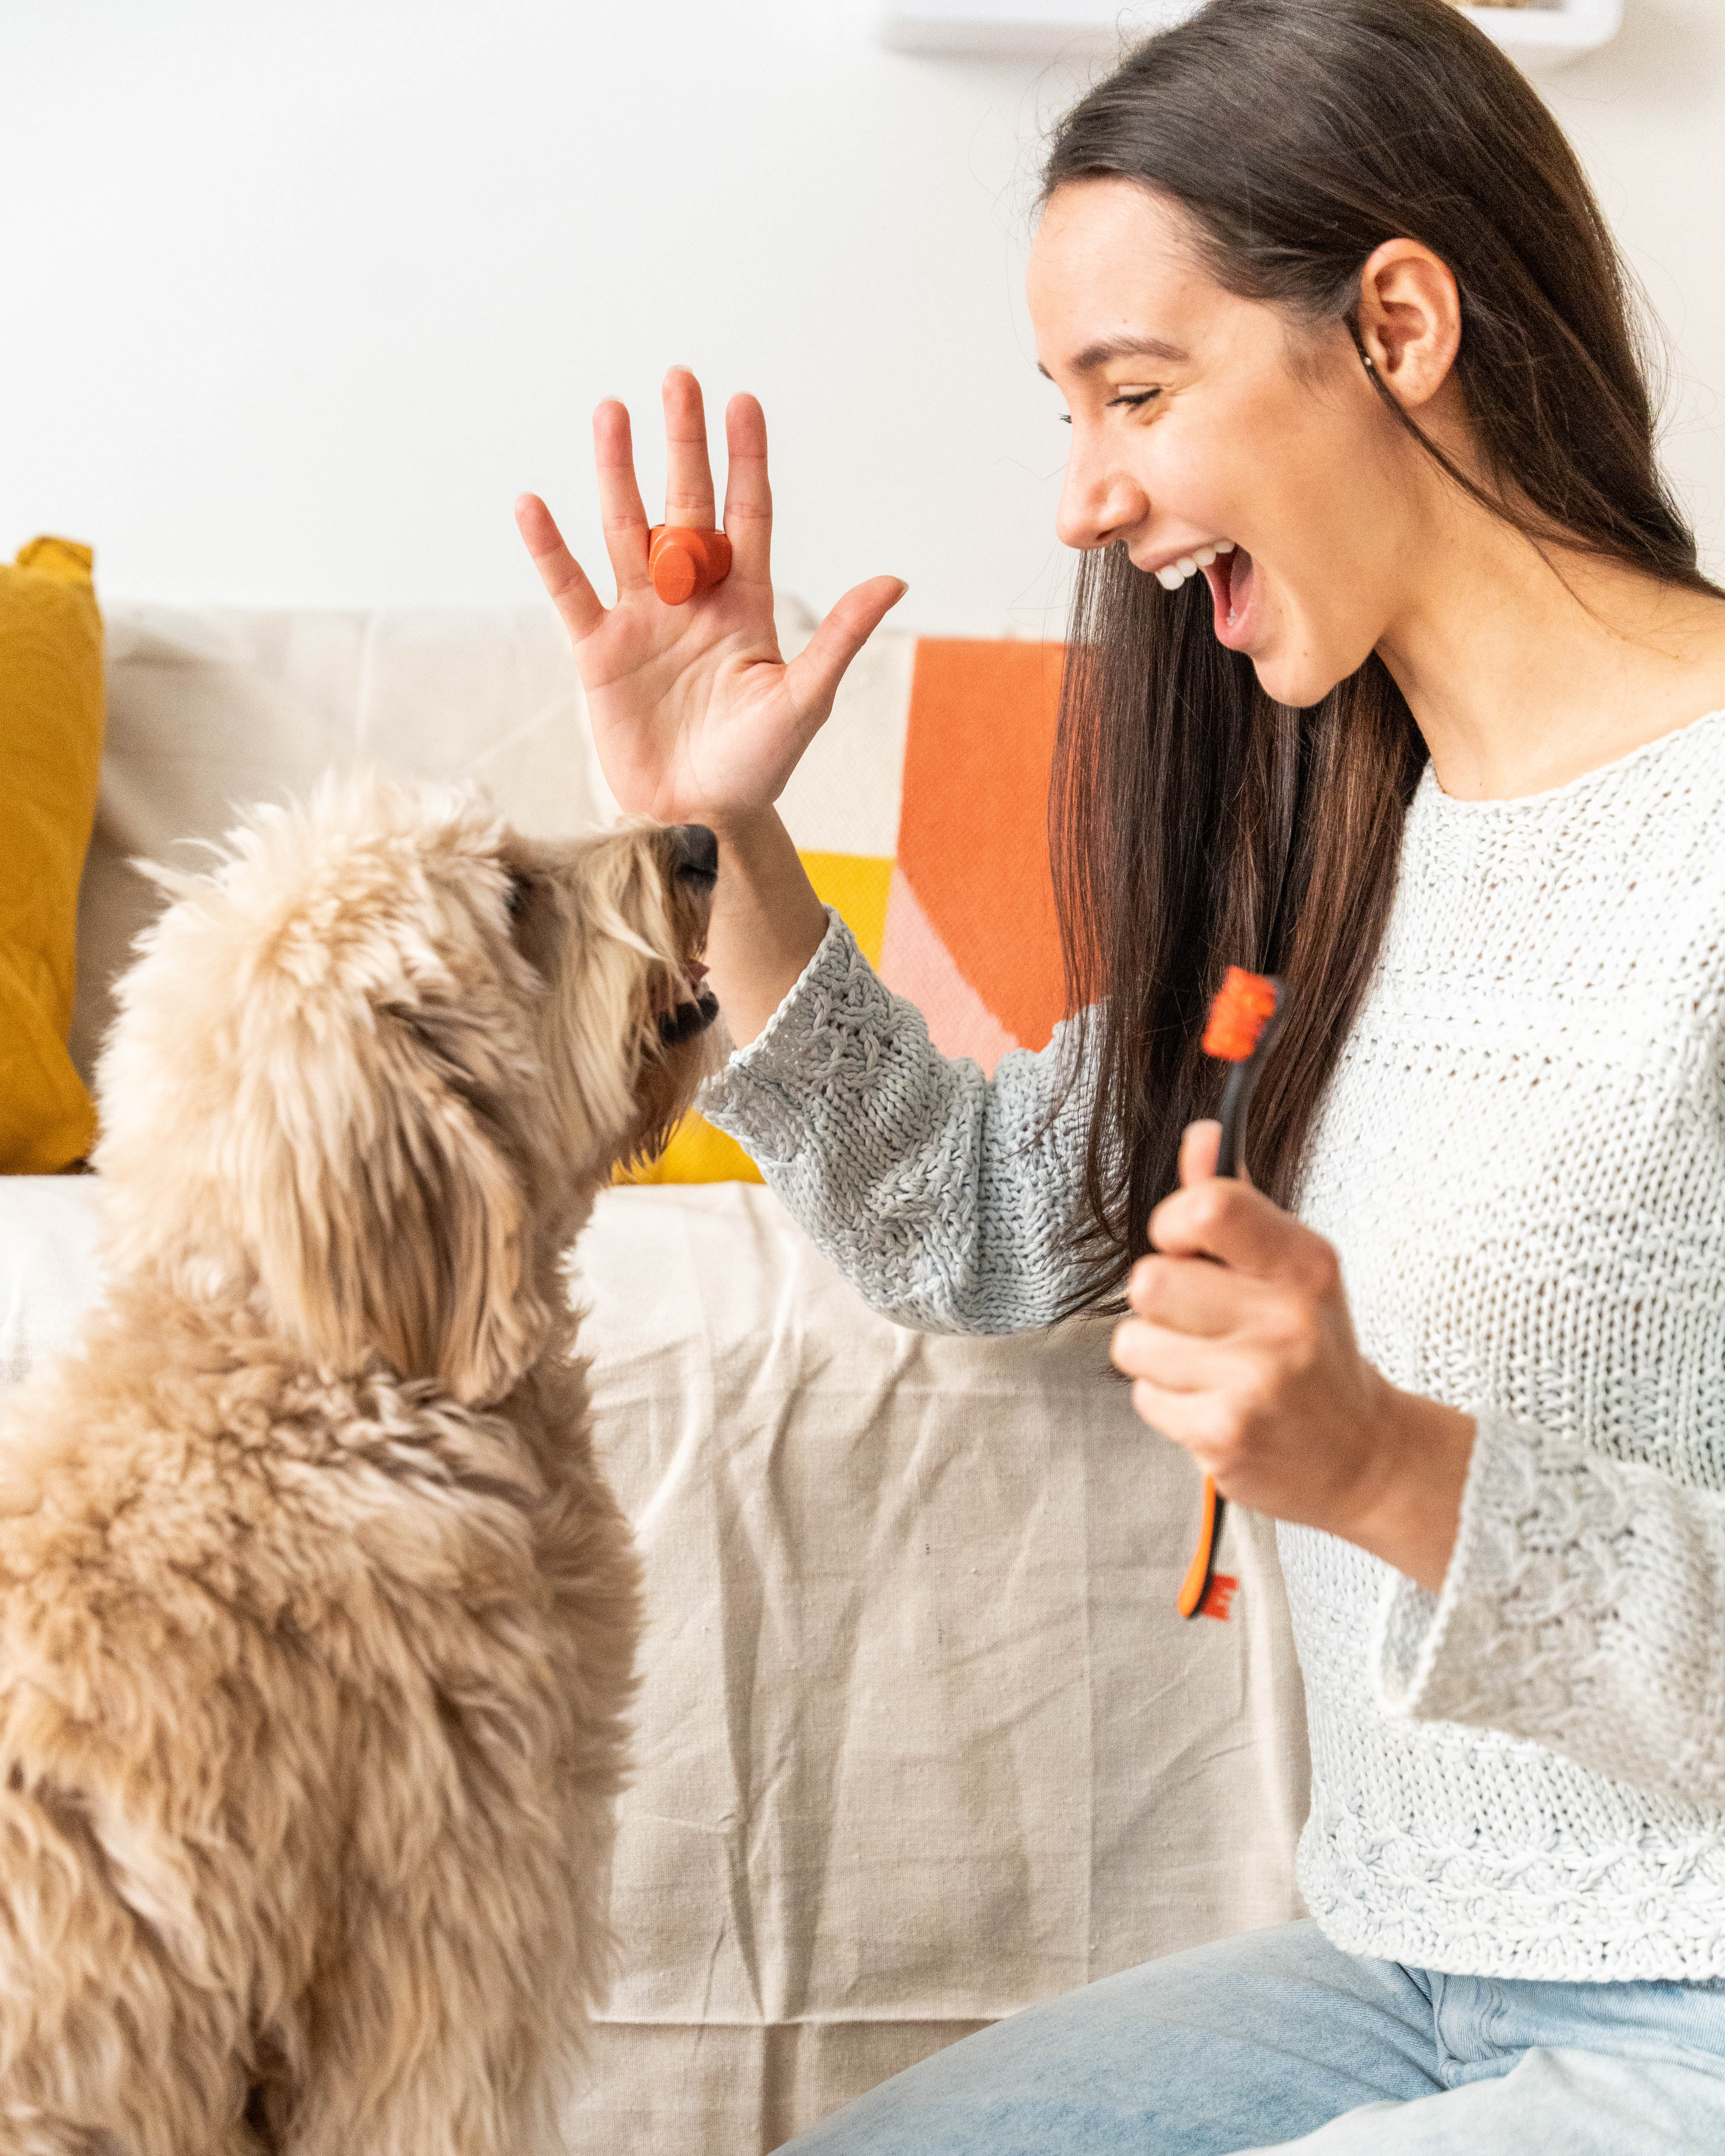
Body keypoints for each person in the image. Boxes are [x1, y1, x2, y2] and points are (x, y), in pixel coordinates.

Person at [516, 0, 1725, 2145]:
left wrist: (1388, 1470)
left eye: (1136, 395)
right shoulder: (1346, 834)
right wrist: (726, 850)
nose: (1086, 500)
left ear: (1401, 322)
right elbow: (981, 1219)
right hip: (1405, 1961)